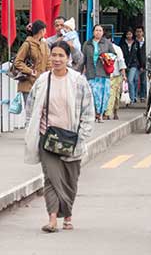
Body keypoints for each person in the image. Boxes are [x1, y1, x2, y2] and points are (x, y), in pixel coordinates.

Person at [24, 41, 94, 233]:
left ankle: (68, 215)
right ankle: (52, 219)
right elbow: (31, 108)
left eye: (61, 55)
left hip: (72, 139)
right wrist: (32, 130)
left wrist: (82, 136)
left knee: (70, 181)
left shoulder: (78, 81)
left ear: (68, 58)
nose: (56, 59)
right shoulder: (42, 80)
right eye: (53, 55)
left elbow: (88, 112)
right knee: (51, 179)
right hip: (47, 138)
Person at [13, 20, 51, 123]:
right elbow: (18, 62)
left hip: (42, 82)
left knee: (41, 111)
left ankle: (38, 134)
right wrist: (30, 71)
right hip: (28, 82)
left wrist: (50, 74)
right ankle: (30, 134)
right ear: (41, 30)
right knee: (30, 112)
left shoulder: (44, 44)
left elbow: (48, 62)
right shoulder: (27, 44)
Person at [81, 24, 115, 123]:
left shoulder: (107, 43)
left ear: (103, 32)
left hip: (103, 73)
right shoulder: (87, 44)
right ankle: (94, 113)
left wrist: (105, 56)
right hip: (91, 73)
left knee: (104, 95)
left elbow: (114, 55)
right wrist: (80, 71)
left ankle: (100, 114)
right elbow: (83, 59)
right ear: (93, 32)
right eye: (96, 30)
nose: (98, 32)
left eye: (100, 30)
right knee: (93, 94)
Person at [105, 41, 127, 120]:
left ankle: (114, 112)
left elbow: (121, 61)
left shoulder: (117, 49)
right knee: (109, 95)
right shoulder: (101, 48)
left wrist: (124, 75)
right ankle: (107, 113)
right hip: (106, 75)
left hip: (116, 75)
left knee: (116, 96)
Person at [120, 28, 144, 103]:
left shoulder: (135, 43)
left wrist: (141, 65)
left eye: (130, 34)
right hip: (125, 63)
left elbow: (139, 54)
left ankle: (132, 98)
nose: (129, 36)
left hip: (134, 64)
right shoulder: (122, 43)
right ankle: (134, 96)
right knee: (134, 80)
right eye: (127, 34)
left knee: (130, 80)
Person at [134, 25, 147, 98]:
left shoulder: (146, 42)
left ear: (143, 33)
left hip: (144, 64)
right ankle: (135, 96)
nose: (139, 33)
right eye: (137, 32)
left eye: (140, 32)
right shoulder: (134, 42)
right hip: (136, 64)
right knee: (135, 80)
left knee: (143, 81)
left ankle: (142, 96)